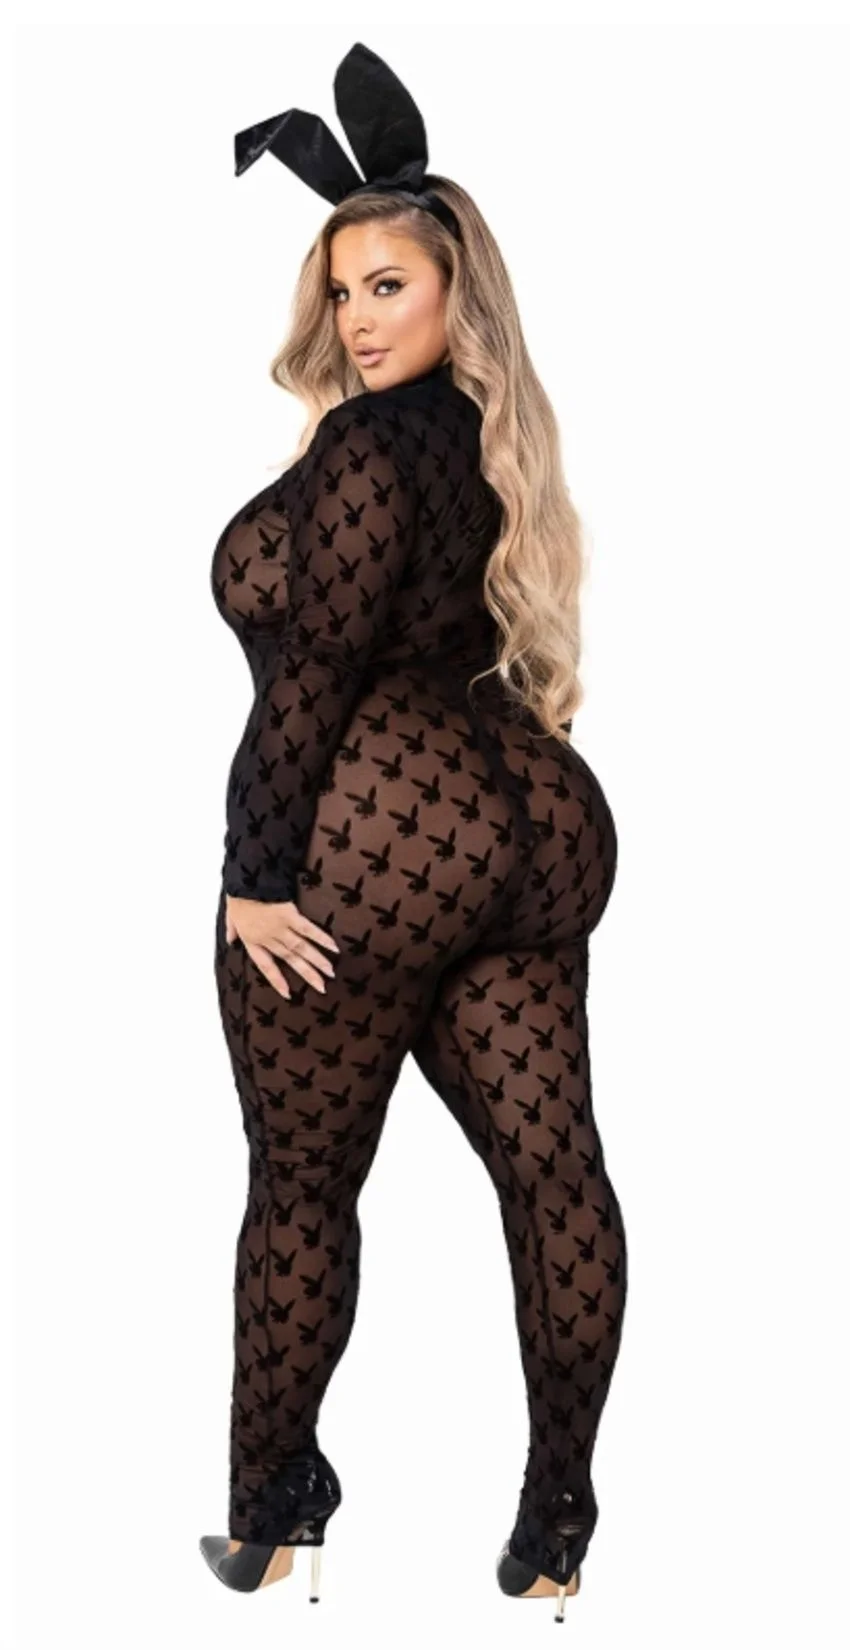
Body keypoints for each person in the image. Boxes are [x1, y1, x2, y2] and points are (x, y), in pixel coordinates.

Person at [199, 42, 627, 1623]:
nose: (361, 319)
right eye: (343, 293)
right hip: (527, 819)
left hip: (376, 837)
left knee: (304, 1184)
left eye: (388, 286)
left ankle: (272, 1513)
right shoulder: (483, 437)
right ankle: (556, 1528)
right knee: (554, 1171)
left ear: (456, 290)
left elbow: (315, 673)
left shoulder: (371, 451)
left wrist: (254, 876)